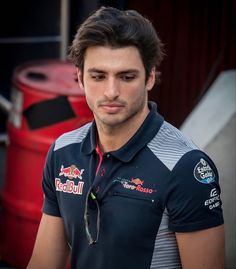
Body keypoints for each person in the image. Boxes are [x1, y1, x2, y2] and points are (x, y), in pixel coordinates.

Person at [27, 6, 225, 269]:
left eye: (127, 76)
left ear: (150, 77)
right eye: (98, 76)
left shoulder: (185, 167)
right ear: (80, 78)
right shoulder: (63, 151)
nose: (111, 91)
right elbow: (43, 264)